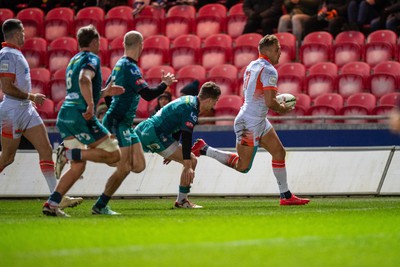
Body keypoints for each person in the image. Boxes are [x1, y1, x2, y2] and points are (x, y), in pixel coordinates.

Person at [191, 35, 310, 206]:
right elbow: (269, 102)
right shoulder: (269, 70)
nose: (280, 53)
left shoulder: (252, 65)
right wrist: (282, 108)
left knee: (279, 153)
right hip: (249, 124)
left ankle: (285, 196)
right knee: (243, 166)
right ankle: (204, 149)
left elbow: (257, 93)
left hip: (257, 120)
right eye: (277, 50)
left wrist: (272, 100)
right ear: (267, 51)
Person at [42, 25, 125, 217]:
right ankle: (70, 154)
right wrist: (90, 105)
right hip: (82, 116)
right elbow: (84, 80)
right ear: (95, 42)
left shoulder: (73, 60)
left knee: (79, 167)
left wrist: (105, 93)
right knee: (114, 155)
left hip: (66, 115)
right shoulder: (91, 59)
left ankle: (52, 203)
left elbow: (80, 86)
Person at [0, 19, 82, 210]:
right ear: (16, 33)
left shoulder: (14, 54)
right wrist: (31, 96)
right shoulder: (6, 56)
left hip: (25, 109)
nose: (24, 34)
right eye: (22, 31)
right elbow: (6, 87)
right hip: (11, 112)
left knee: (45, 150)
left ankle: (57, 196)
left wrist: (28, 100)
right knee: (8, 157)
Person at [92, 30, 177, 215]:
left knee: (138, 166)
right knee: (124, 167)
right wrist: (164, 84)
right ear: (141, 45)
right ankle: (100, 205)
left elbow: (108, 93)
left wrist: (116, 109)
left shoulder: (118, 65)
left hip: (125, 123)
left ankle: (97, 154)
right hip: (119, 123)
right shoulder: (130, 68)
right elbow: (147, 94)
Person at [134, 81, 221, 208]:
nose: (215, 104)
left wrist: (172, 147)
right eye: (215, 101)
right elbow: (186, 136)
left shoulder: (189, 101)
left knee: (122, 161)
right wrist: (187, 165)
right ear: (208, 100)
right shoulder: (191, 110)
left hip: (145, 129)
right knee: (191, 159)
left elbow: (177, 128)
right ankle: (182, 201)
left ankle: (102, 201)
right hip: (154, 134)